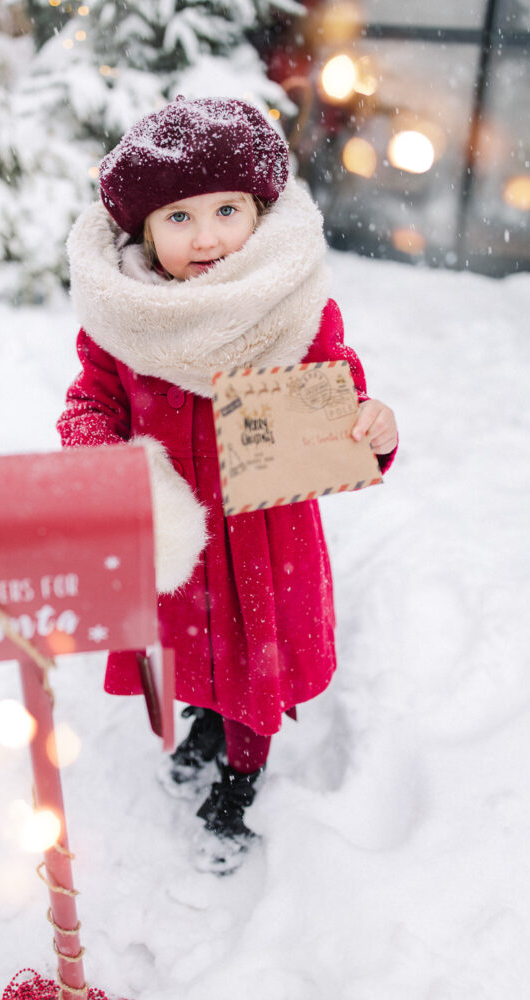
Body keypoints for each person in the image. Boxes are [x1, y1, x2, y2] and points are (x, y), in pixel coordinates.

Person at [57, 96, 397, 874]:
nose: (206, 237)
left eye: (225, 211)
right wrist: (98, 452)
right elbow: (90, 403)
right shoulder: (124, 321)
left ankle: (240, 779)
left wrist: (368, 427)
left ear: (258, 212)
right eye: (177, 218)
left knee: (252, 661)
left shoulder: (291, 308)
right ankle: (204, 720)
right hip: (175, 533)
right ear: (143, 231)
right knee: (190, 649)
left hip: (260, 540)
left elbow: (335, 399)